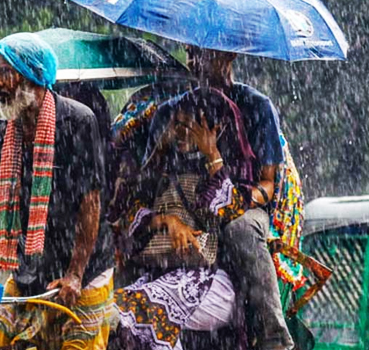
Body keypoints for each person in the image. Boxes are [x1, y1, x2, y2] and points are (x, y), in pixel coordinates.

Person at [0, 32, 114, 350]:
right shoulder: (0, 135)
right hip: (30, 270)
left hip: (85, 269)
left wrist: (74, 274)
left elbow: (91, 202)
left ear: (31, 78)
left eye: (4, 72)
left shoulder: (78, 122)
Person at [109, 88, 256, 350]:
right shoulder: (165, 165)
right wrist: (167, 221)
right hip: (161, 273)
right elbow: (130, 213)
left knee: (146, 307)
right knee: (115, 312)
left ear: (215, 128)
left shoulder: (228, 169)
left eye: (189, 126)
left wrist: (212, 156)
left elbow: (231, 216)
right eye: (176, 124)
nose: (180, 133)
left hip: (211, 280)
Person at [184, 45, 294, 350]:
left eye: (204, 54)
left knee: (240, 228)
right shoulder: (184, 104)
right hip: (195, 200)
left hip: (247, 204)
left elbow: (268, 184)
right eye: (190, 53)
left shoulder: (257, 106)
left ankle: (274, 334)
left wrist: (230, 198)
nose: (195, 62)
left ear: (229, 56)